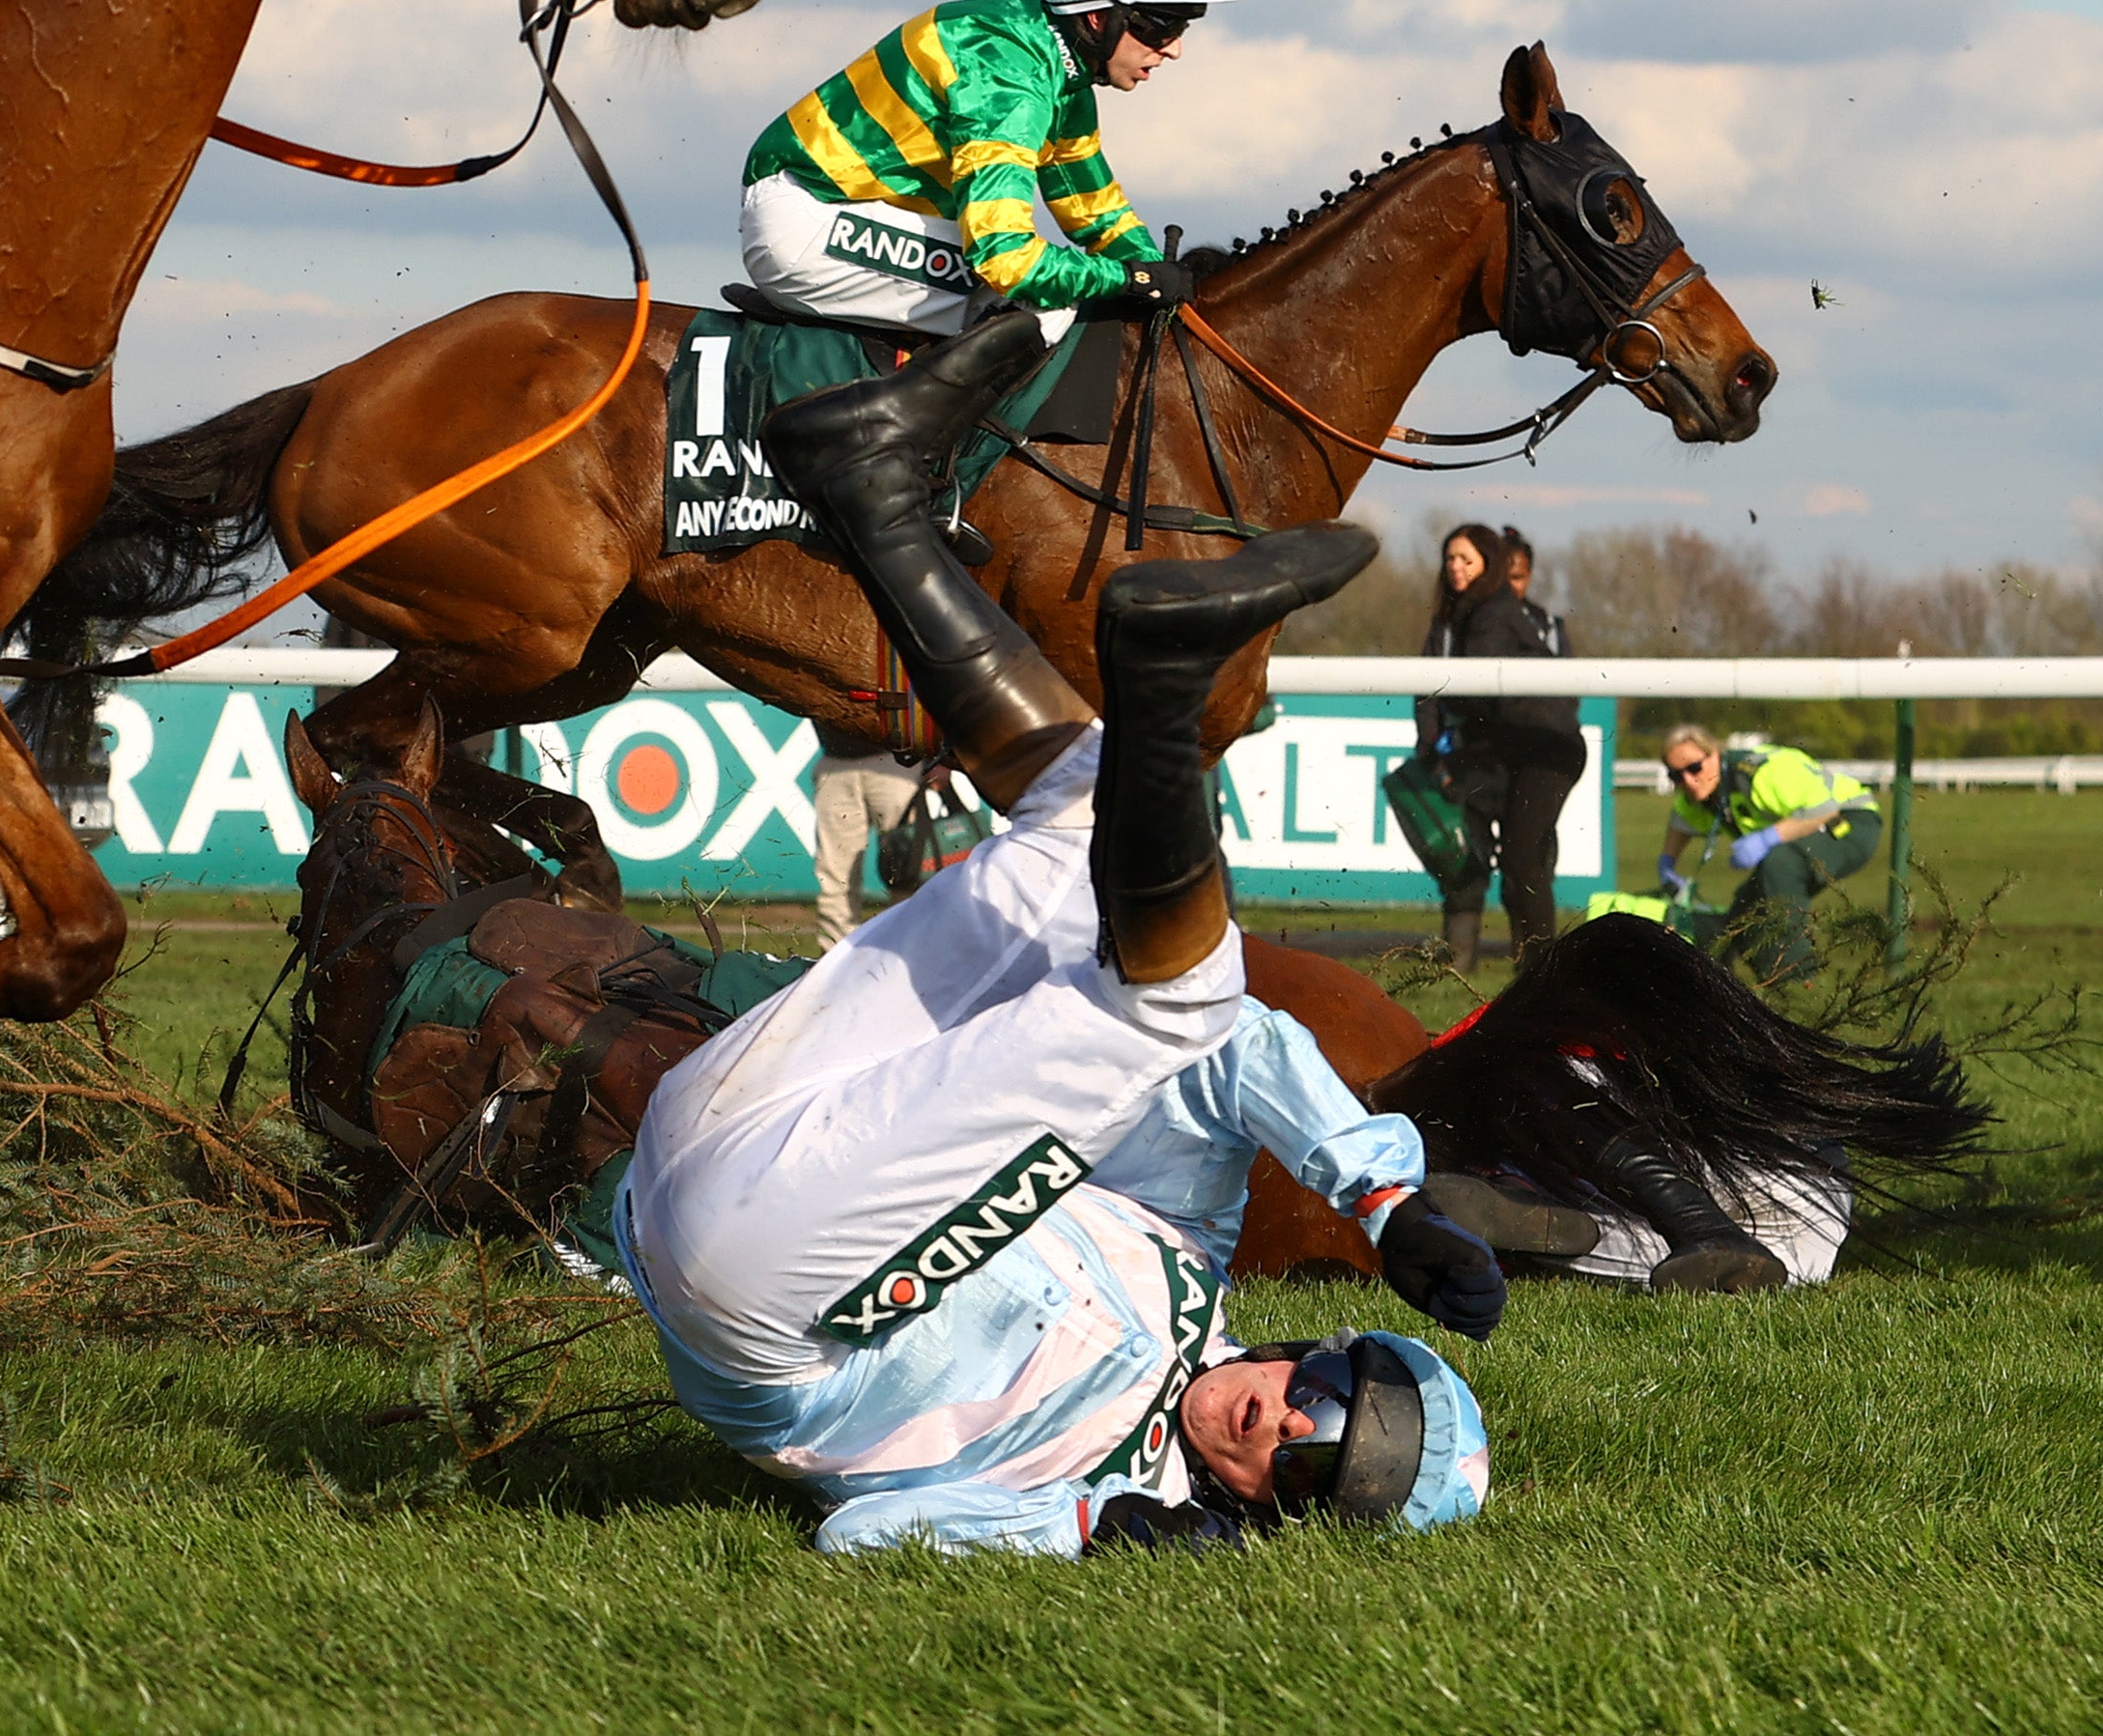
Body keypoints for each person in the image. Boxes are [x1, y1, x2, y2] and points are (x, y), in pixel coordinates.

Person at [615, 315, 1502, 1556]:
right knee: (1092, 829)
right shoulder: (1187, 1253)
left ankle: (1166, 697)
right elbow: (1236, 1049)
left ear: (1275, 1509)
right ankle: (871, 488)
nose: (1289, 1416)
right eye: (1333, 1390)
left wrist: (1097, 1526)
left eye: (1316, 1467)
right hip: (725, 1124)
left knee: (1176, 993)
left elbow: (864, 1535)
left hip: (766, 1306)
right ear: (1322, 1346)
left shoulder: (1114, 1494)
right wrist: (1385, 1195)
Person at [738, 0, 1225, 336]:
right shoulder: (1006, 74)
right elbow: (1005, 257)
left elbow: (1095, 213)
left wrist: (1157, 274)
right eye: (1162, 26)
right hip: (811, 221)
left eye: (1183, 26)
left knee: (1068, 284)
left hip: (838, 215)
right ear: (1099, 18)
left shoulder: (1058, 63)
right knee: (1044, 302)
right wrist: (1133, 280)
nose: (1174, 48)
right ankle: (898, 442)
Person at [1418, 523, 1585, 972]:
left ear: (1487, 565)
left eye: (1465, 560)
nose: (1455, 568)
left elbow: (1475, 690)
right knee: (1517, 861)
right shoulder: (1474, 612)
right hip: (1521, 749)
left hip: (1547, 750)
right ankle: (1528, 968)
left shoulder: (1490, 612)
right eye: (1449, 559)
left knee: (1522, 860)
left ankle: (1542, 970)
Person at [1655, 726, 1881, 983]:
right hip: (1806, 834)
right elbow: (1680, 822)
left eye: (1694, 768)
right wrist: (1667, 866)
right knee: (1743, 916)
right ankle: (1762, 986)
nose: (1688, 780)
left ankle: (1798, 980)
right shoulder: (1699, 793)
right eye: (1676, 775)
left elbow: (1823, 811)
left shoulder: (1759, 774)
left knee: (1780, 866)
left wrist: (1766, 839)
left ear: (1715, 754)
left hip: (1849, 822)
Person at [807, 740, 921, 946]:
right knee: (835, 876)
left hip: (897, 762)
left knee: (909, 870)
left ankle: (909, 954)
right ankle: (835, 960)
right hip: (837, 761)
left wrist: (940, 759)